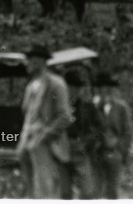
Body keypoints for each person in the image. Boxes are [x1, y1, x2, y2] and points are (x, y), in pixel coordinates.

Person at [18, 43, 73, 198]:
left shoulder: (56, 84)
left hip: (46, 145)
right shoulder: (30, 85)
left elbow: (65, 117)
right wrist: (24, 141)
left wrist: (43, 137)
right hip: (27, 144)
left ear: (39, 61)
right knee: (30, 189)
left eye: (29, 59)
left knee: (45, 189)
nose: (26, 63)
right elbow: (28, 115)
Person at [59, 68, 104, 199]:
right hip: (62, 150)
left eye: (77, 88)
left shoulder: (88, 107)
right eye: (71, 87)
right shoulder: (58, 107)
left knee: (87, 191)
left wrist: (87, 141)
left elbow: (99, 129)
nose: (75, 91)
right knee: (65, 192)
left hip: (81, 151)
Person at [94, 71, 133, 199]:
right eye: (100, 88)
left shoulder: (121, 107)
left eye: (106, 87)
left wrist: (122, 151)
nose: (103, 91)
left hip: (114, 152)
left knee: (113, 190)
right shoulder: (93, 106)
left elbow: (128, 131)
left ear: (111, 89)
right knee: (96, 189)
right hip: (97, 152)